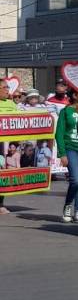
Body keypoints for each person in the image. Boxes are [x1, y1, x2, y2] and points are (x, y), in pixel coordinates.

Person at [56, 87, 78, 223]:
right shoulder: (66, 111)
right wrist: (62, 154)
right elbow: (59, 133)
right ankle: (68, 205)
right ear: (74, 96)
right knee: (76, 180)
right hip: (71, 148)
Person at [0, 79, 16, 214]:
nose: (8, 90)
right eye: (5, 87)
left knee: (2, 173)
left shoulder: (11, 103)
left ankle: (0, 204)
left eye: (8, 87)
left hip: (3, 146)